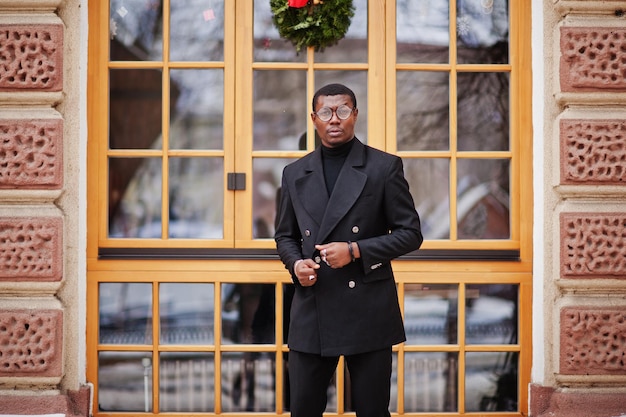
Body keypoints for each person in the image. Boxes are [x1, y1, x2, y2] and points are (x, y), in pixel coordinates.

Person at [274, 83, 423, 417]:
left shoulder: (384, 167)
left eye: (342, 110)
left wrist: (355, 250)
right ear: (314, 119)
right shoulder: (294, 173)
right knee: (303, 410)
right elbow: (284, 236)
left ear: (355, 114)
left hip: (367, 310)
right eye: (325, 112)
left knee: (371, 412)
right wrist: (296, 264)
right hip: (312, 310)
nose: (334, 119)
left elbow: (411, 234)